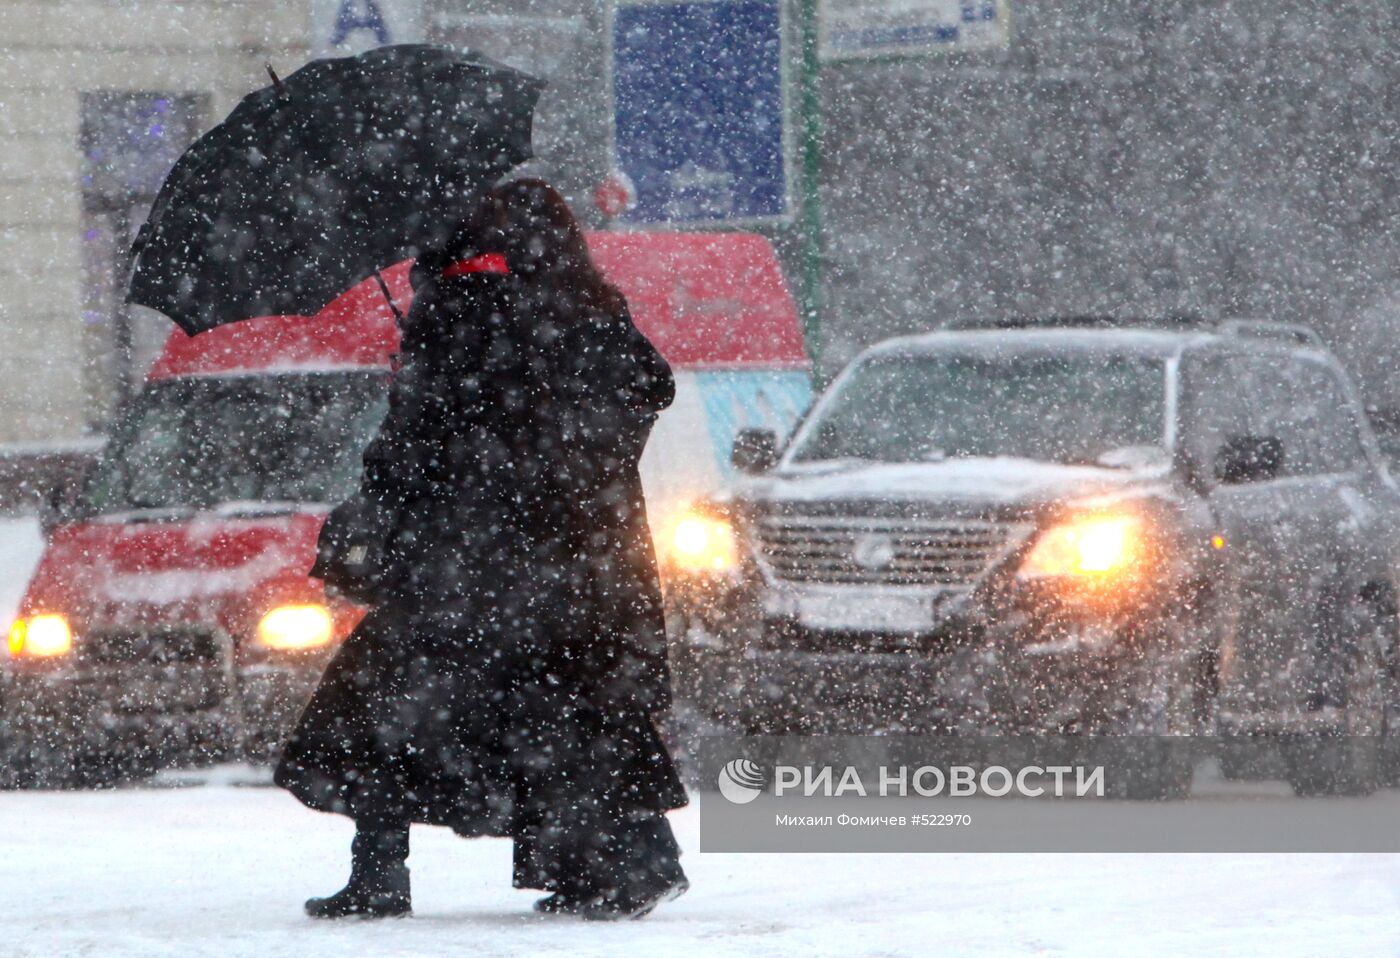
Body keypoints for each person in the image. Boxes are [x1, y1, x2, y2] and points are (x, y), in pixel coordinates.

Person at [274, 180, 689, 921]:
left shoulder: (460, 316)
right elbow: (648, 388)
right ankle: (623, 865)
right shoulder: (587, 309)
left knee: (384, 703)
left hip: (465, 560)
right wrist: (576, 466)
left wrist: (392, 495)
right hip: (579, 553)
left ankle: (380, 874)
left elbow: (412, 446)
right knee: (577, 709)